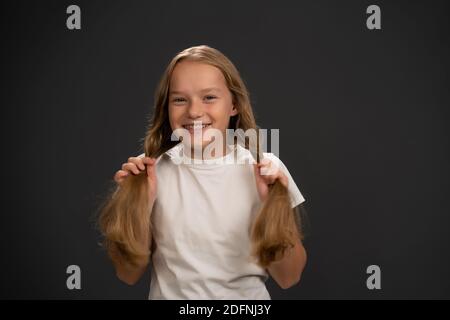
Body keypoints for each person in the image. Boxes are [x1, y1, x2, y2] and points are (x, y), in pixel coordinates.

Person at [99, 45, 307, 299]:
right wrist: (138, 205)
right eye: (179, 99)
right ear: (167, 108)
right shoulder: (149, 172)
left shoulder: (265, 169)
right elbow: (127, 274)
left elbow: (289, 277)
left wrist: (274, 207)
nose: (194, 111)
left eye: (209, 97)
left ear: (234, 105)